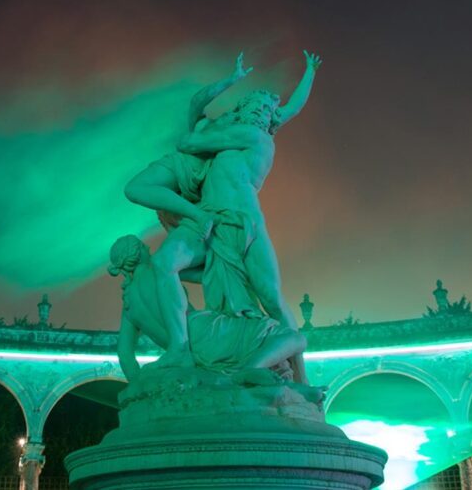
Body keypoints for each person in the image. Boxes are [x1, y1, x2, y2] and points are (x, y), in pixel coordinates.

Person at [149, 50, 321, 384]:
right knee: (166, 265)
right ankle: (182, 346)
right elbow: (196, 104)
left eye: (265, 110)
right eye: (254, 106)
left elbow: (188, 139)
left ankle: (301, 381)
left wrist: (310, 74)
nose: (261, 112)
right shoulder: (234, 139)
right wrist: (232, 79)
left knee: (271, 295)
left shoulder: (254, 136)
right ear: (242, 110)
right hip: (211, 224)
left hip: (246, 226)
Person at [109, 235, 306, 384]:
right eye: (144, 247)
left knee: (277, 347)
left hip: (199, 354)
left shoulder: (129, 306)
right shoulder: (161, 269)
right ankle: (249, 369)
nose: (148, 248)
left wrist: (138, 386)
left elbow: (125, 355)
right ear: (138, 252)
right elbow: (206, 275)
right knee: (294, 338)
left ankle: (255, 371)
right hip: (207, 332)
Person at [122, 52, 252, 234]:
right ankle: (199, 216)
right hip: (181, 166)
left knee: (136, 189)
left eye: (236, 117)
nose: (230, 115)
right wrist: (232, 79)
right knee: (134, 189)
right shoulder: (204, 125)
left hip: (201, 183)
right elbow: (197, 101)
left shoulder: (240, 139)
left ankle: (199, 216)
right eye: (229, 113)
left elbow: (286, 113)